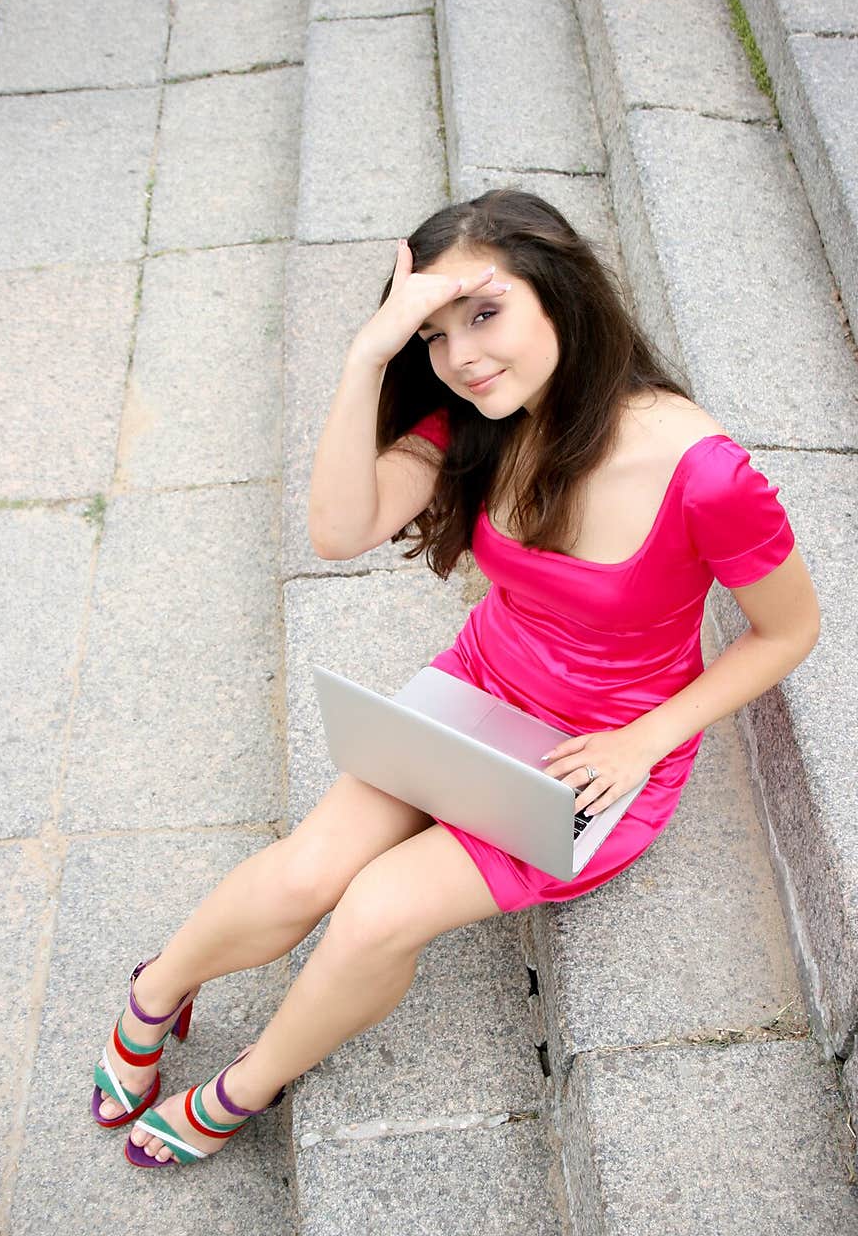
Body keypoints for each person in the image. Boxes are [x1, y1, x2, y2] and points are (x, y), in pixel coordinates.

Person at [92, 188, 820, 1167]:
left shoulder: (705, 472)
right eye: (432, 334)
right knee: (311, 866)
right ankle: (153, 995)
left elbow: (787, 632)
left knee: (377, 910)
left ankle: (246, 1085)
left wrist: (641, 741)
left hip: (596, 754)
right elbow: (338, 531)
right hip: (476, 689)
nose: (462, 355)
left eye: (484, 313)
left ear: (558, 291)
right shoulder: (476, 417)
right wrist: (365, 356)